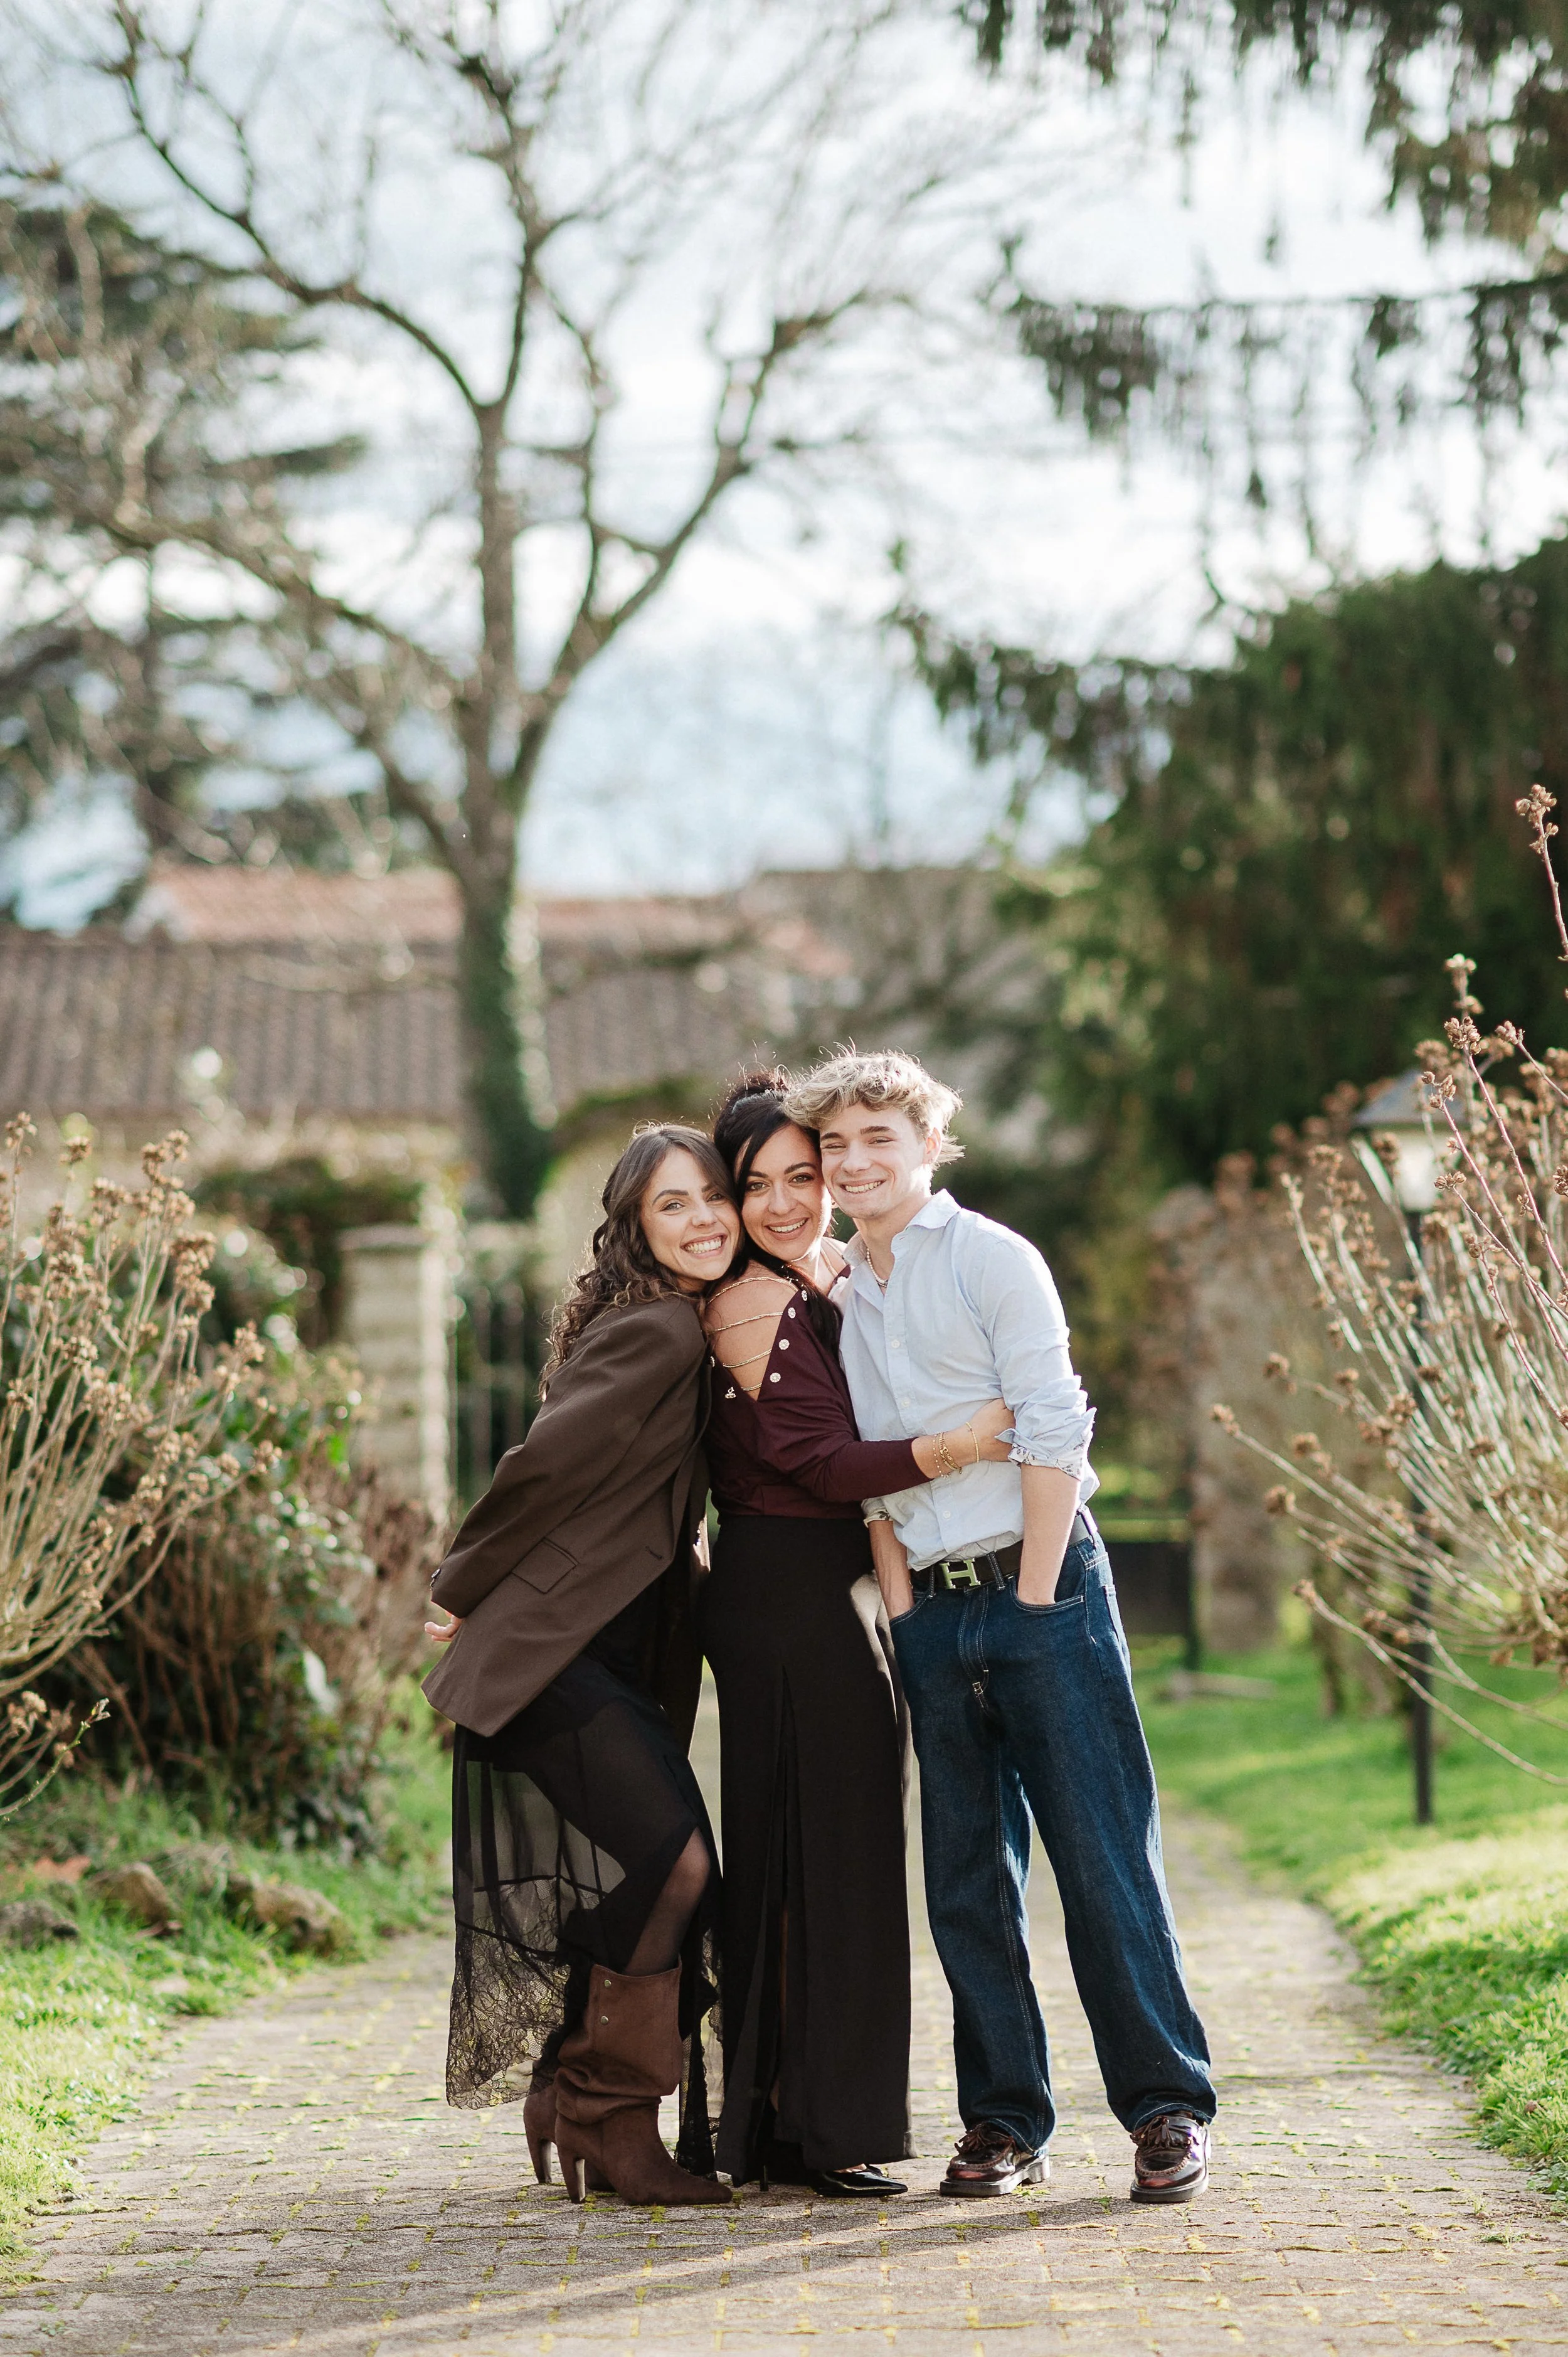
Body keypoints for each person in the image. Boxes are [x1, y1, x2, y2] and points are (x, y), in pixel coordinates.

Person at [784, 1049, 1216, 2206]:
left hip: (1044, 1591)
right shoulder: (847, 1295)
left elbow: (1053, 1430)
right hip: (934, 1607)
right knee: (968, 1885)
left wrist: (1030, 1599)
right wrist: (914, 1612)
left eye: (882, 1139)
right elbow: (876, 1479)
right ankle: (1005, 2123)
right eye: (838, 1147)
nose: (857, 1162)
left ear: (931, 1145)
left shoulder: (991, 1258)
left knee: (1100, 1859)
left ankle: (1166, 2110)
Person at [698, 1074, 1015, 2198]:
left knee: (833, 1854)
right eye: (759, 1185)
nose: (790, 1201)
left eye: (806, 1173)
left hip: (829, 1592)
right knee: (822, 1859)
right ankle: (815, 2129)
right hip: (786, 1591)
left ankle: (800, 2119)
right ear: (727, 1202)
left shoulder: (816, 1281)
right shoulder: (749, 1302)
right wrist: (961, 1446)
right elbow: (827, 1466)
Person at [422, 1125, 742, 2209]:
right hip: (552, 1660)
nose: (703, 1219)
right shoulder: (661, 1332)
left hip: (595, 1655)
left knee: (668, 1870)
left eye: (712, 1197)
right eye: (673, 1207)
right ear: (635, 1231)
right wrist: (460, 1584)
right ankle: (608, 2115)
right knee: (679, 1867)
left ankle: (575, 2087)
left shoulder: (681, 1322)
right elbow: (546, 1462)